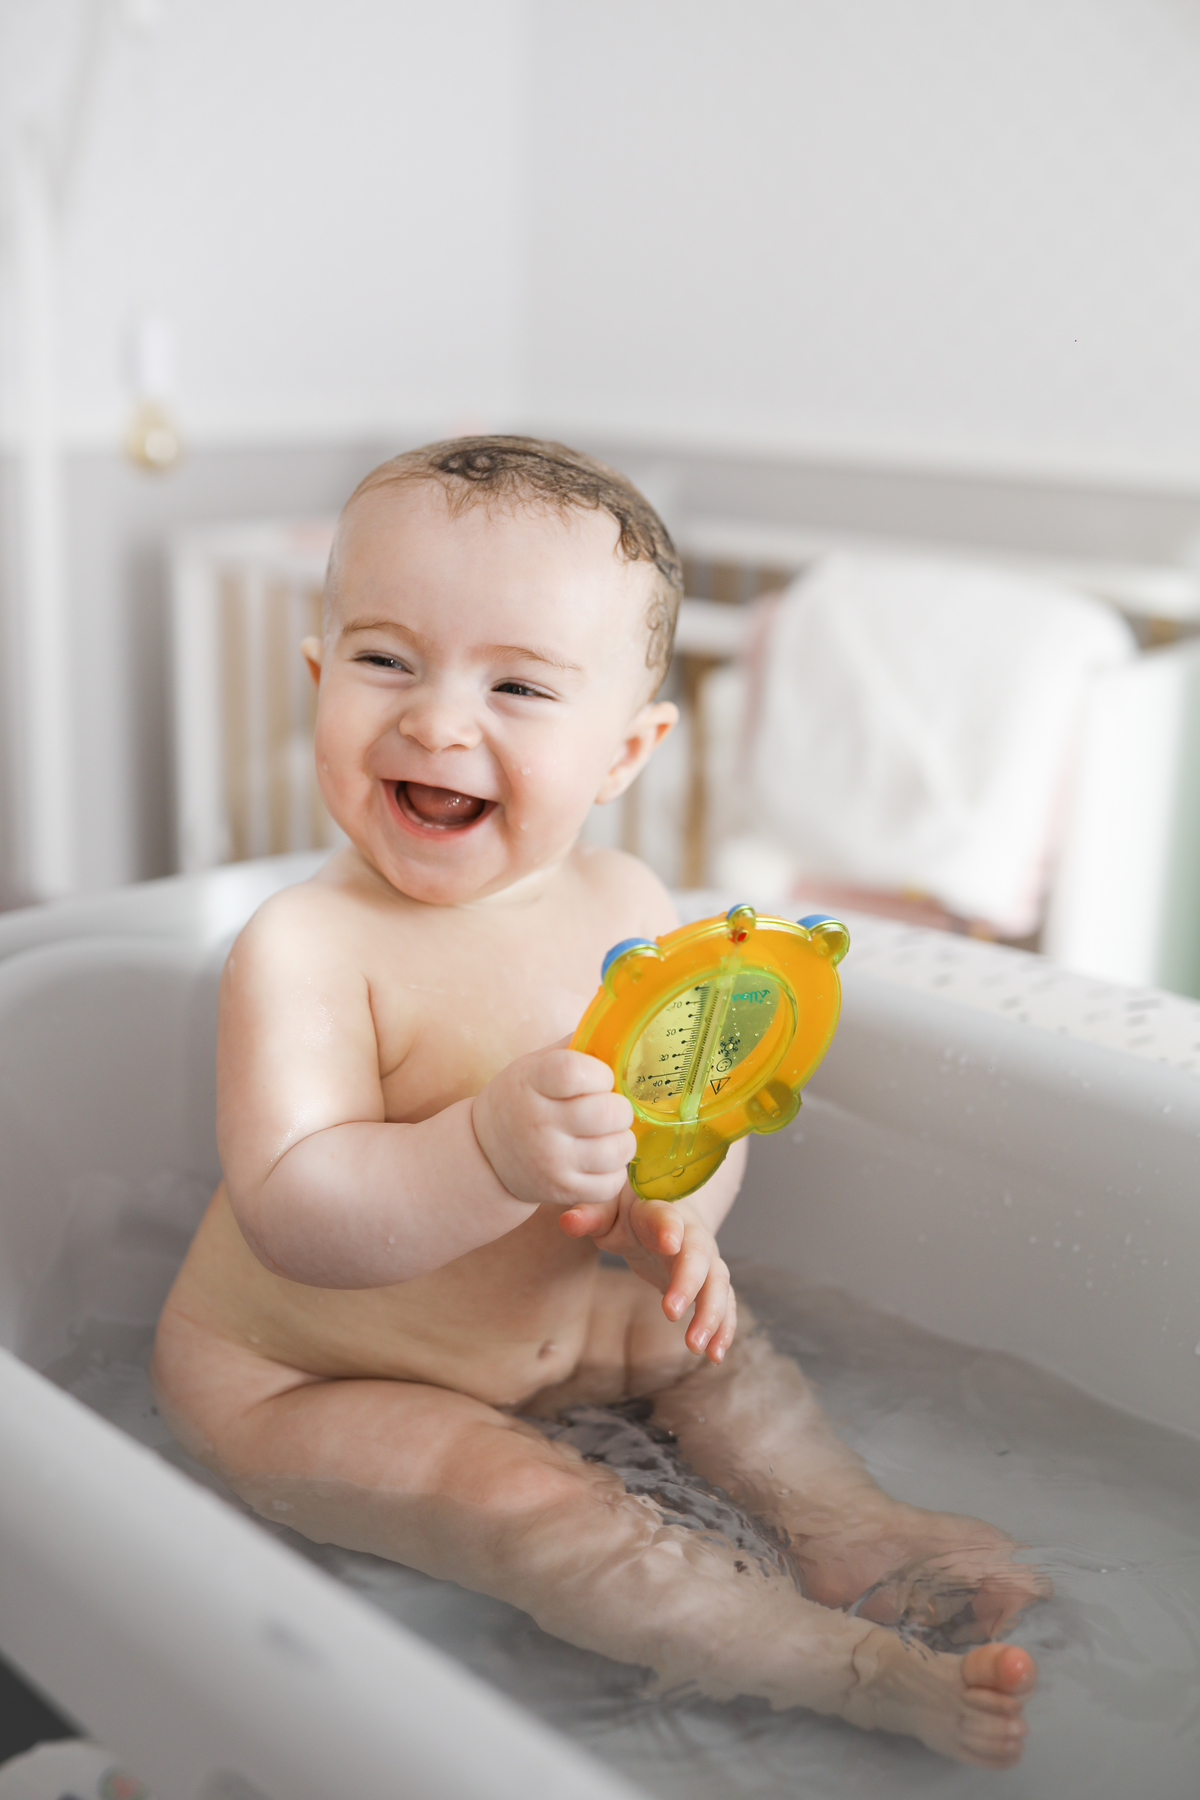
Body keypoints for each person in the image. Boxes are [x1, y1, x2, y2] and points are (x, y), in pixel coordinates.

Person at [153, 437, 1041, 1768]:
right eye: (388, 659)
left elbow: (688, 1120)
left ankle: (845, 1521)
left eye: (517, 683)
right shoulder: (307, 946)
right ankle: (843, 1668)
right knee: (517, 1497)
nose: (441, 720)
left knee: (723, 1355)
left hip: (571, 1333)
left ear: (625, 751)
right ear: (320, 677)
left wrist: (676, 1210)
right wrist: (482, 1150)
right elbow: (297, 1212)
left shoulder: (630, 911)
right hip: (311, 1377)